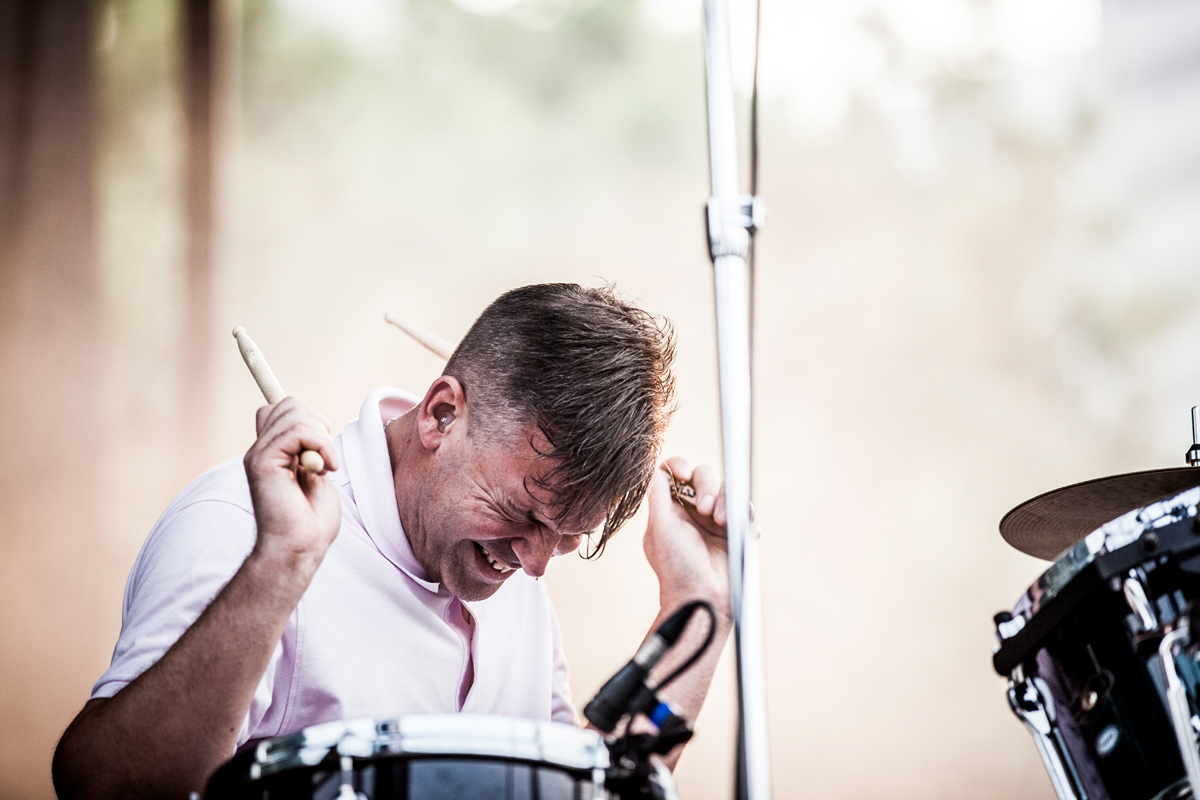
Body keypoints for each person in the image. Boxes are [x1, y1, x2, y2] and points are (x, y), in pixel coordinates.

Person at [52, 284, 732, 799]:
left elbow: (585, 791)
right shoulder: (238, 524)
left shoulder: (515, 573)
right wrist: (278, 566)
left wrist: (698, 603)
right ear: (441, 415)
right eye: (523, 515)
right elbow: (102, 787)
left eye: (565, 539)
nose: (532, 563)